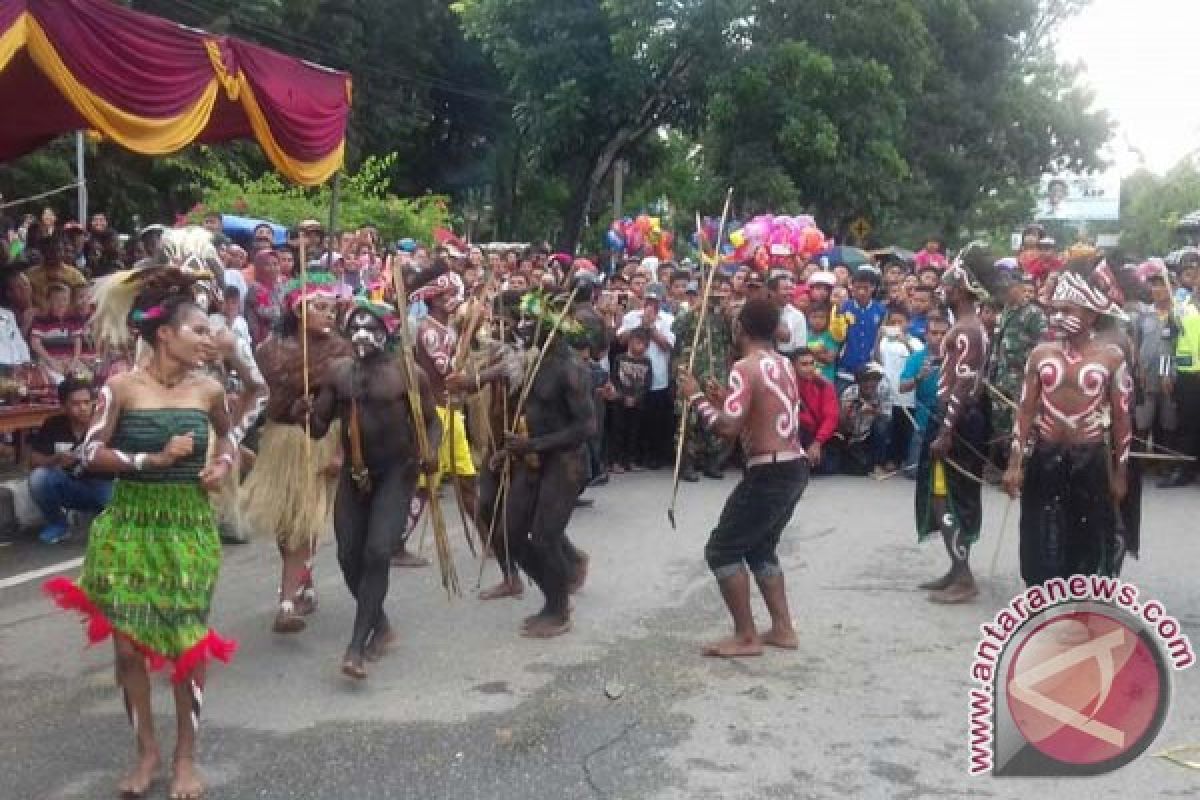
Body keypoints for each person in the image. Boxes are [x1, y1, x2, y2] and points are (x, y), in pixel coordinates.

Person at [45, 268, 239, 800]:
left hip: (188, 526)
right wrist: (150, 458)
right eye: (198, 330)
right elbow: (86, 455)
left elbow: (231, 439)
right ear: (164, 335)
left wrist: (220, 468)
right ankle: (147, 752)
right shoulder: (119, 388)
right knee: (129, 649)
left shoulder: (210, 389)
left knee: (186, 643)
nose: (208, 339)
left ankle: (185, 759)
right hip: (130, 524)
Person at [304, 299, 440, 678]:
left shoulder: (409, 374)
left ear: (388, 331)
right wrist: (306, 412)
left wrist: (430, 451)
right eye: (355, 325)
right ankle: (378, 623)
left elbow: (433, 423)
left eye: (370, 324)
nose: (362, 333)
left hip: (397, 472)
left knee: (378, 551)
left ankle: (356, 647)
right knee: (349, 556)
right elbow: (318, 427)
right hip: (355, 473)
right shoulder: (338, 372)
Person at [677, 296, 808, 658]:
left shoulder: (745, 367)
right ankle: (782, 629)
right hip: (793, 468)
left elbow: (728, 428)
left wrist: (697, 398)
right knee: (760, 546)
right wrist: (722, 400)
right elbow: (763, 412)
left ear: (741, 328)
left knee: (722, 549)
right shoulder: (784, 363)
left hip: (770, 472)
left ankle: (746, 636)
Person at [1003, 269, 1133, 585]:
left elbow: (1122, 419)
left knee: (1087, 534)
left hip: (1090, 457)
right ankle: (1043, 601)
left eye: (1067, 310)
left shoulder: (1111, 357)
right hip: (1046, 455)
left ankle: (1081, 604)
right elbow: (1024, 411)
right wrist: (1014, 464)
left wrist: (1119, 473)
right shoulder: (1040, 354)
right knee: (1039, 531)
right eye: (1055, 310)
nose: (1058, 317)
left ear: (1090, 315)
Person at [240, 273, 349, 633]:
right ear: (299, 310)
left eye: (332, 309)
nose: (329, 315)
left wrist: (341, 452)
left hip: (321, 441)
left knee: (305, 518)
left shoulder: (342, 351)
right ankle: (304, 580)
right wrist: (291, 402)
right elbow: (265, 402)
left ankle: (286, 601)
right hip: (283, 441)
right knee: (291, 522)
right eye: (320, 308)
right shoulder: (269, 351)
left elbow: (351, 407)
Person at [492, 291, 595, 638]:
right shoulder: (531, 361)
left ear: (549, 327)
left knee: (544, 538)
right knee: (511, 534)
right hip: (530, 457)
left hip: (564, 462)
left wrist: (535, 445)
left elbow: (586, 427)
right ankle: (558, 586)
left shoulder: (571, 370)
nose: (521, 327)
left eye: (529, 322)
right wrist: (511, 451)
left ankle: (558, 607)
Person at [914, 244, 999, 604]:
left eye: (948, 286)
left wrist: (947, 431)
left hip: (959, 421)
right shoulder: (966, 327)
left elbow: (963, 386)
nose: (942, 291)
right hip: (954, 416)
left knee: (946, 496)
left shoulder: (968, 330)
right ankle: (955, 569)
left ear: (962, 290)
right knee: (943, 494)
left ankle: (964, 578)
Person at [408, 264, 481, 564]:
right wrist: (471, 332)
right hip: (433, 412)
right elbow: (448, 372)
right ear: (436, 298)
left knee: (467, 477)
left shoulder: (446, 329)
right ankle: (396, 543)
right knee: (424, 485)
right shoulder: (428, 330)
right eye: (452, 294)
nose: (457, 299)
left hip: (452, 412)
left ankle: (490, 536)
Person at [28, 377, 114, 544]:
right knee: (38, 478)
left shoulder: (104, 424)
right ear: (64, 406)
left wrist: (97, 459)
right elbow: (33, 461)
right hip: (69, 484)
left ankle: (94, 516)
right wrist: (55, 460)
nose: (82, 408)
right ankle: (58, 525)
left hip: (103, 484)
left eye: (86, 402)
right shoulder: (54, 424)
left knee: (116, 519)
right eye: (75, 404)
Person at [672, 281, 734, 481]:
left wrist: (727, 314)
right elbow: (676, 329)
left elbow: (733, 341)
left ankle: (713, 460)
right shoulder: (688, 313)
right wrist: (696, 308)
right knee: (687, 417)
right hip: (691, 370)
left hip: (715, 370)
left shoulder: (721, 316)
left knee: (713, 415)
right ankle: (686, 463)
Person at [988, 270, 1048, 456]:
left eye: (1008, 288)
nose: (1004, 292)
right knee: (1000, 425)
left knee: (1021, 427)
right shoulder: (1005, 311)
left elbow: (1043, 348)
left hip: (1022, 382)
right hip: (1002, 379)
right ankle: (1002, 464)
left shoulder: (1034, 314)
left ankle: (1020, 467)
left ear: (1020, 287)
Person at [616, 285, 675, 468]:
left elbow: (668, 345)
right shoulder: (631, 317)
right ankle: (630, 456)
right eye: (648, 301)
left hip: (658, 378)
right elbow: (621, 339)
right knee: (630, 422)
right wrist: (641, 325)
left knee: (655, 420)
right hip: (632, 379)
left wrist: (651, 328)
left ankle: (654, 456)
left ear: (661, 302)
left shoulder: (669, 320)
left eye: (655, 302)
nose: (651, 305)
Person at [899, 314, 950, 476]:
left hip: (950, 413)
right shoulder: (916, 358)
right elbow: (902, 387)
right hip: (925, 413)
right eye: (934, 333)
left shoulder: (957, 357)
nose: (939, 337)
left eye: (943, 333)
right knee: (914, 471)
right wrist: (919, 377)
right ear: (926, 335)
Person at [876, 305, 923, 474]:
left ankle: (903, 459)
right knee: (891, 428)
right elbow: (877, 359)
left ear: (908, 323)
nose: (896, 325)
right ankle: (890, 459)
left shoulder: (915, 343)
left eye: (900, 322)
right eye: (892, 322)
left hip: (907, 395)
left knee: (905, 428)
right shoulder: (885, 341)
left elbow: (918, 362)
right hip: (889, 393)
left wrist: (905, 343)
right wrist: (878, 337)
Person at [835, 363, 893, 476]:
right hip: (852, 435)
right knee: (854, 467)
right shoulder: (849, 393)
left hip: (871, 434)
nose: (870, 384)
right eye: (866, 380)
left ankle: (878, 463)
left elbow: (888, 416)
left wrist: (873, 411)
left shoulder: (883, 391)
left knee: (882, 425)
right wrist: (847, 414)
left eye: (874, 380)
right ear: (859, 382)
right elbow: (840, 425)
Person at [609, 328, 653, 474]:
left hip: (637, 402)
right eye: (638, 343)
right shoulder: (620, 359)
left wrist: (636, 398)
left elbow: (647, 383)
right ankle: (616, 461)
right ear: (630, 342)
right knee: (618, 431)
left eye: (644, 344)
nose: (640, 347)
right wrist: (623, 397)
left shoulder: (647, 361)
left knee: (634, 432)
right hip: (620, 401)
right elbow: (614, 379)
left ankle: (631, 460)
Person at [836, 266, 887, 390]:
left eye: (866, 288)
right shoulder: (843, 308)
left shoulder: (881, 310)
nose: (861, 292)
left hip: (870, 368)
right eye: (858, 288)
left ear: (873, 287)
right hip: (846, 366)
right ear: (851, 287)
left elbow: (880, 337)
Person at [793, 347, 838, 472]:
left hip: (817, 436)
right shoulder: (786, 386)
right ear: (793, 367)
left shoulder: (824, 386)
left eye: (812, 363)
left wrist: (817, 443)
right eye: (804, 364)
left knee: (828, 465)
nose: (809, 368)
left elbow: (831, 418)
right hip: (794, 435)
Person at [29, 282, 84, 383]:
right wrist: (51, 361)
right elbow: (35, 343)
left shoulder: (73, 318)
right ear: (48, 301)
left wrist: (74, 361)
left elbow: (77, 342)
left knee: (82, 379)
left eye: (64, 299)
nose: (61, 303)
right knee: (57, 380)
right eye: (56, 300)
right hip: (48, 359)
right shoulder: (42, 319)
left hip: (69, 359)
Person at [26, 235, 87, 310]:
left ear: (63, 252)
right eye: (51, 250)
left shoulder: (75, 275)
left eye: (58, 250)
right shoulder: (30, 274)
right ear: (43, 252)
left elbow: (83, 298)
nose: (55, 254)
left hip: (68, 318)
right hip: (38, 318)